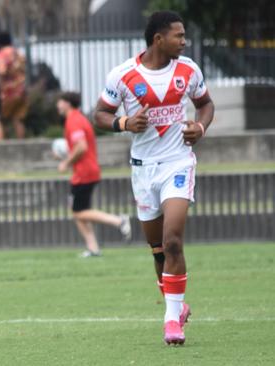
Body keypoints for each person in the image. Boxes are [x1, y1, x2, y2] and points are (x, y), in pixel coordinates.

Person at [93, 11, 214, 345]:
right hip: (143, 169)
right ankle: (177, 307)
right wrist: (124, 123)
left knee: (173, 240)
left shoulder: (188, 70)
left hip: (177, 163)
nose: (184, 41)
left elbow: (206, 105)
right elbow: (99, 115)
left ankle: (171, 323)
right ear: (159, 39)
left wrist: (199, 127)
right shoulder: (124, 75)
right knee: (158, 249)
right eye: (179, 35)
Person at [55, 91, 131, 257]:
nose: (57, 105)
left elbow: (81, 146)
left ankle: (118, 221)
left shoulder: (73, 120)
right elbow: (79, 145)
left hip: (84, 172)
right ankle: (93, 248)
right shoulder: (77, 118)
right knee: (79, 210)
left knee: (78, 212)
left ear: (67, 103)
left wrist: (65, 162)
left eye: (60, 102)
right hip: (86, 170)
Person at [0, 31, 28, 139]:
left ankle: (2, 145)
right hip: (21, 89)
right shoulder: (17, 52)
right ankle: (21, 144)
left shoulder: (2, 53)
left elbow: (2, 71)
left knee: (0, 119)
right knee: (17, 118)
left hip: (9, 90)